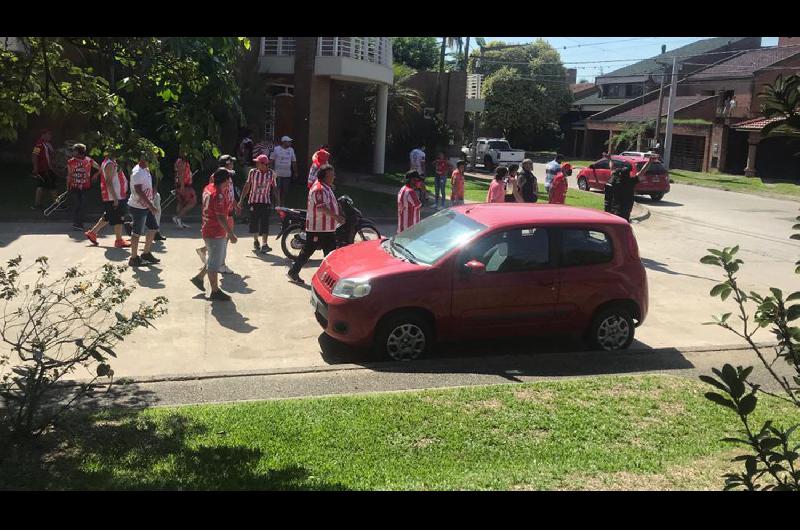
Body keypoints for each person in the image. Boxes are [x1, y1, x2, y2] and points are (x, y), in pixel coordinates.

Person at [287, 164, 344, 285]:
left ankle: (329, 279)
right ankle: (294, 272)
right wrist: (337, 217)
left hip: (327, 228)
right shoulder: (319, 189)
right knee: (309, 251)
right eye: (331, 175)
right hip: (318, 228)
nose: (334, 176)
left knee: (330, 254)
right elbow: (321, 207)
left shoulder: (326, 187)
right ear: (325, 176)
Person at [190, 168, 238, 301]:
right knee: (214, 263)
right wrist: (231, 233)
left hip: (208, 229)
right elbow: (221, 217)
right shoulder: (218, 195)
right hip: (215, 232)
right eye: (228, 179)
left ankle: (199, 278)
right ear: (224, 180)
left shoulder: (208, 188)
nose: (229, 182)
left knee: (213, 258)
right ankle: (215, 291)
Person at [84, 150, 130, 248]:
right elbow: (109, 182)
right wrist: (115, 199)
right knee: (118, 218)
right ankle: (119, 240)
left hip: (115, 195)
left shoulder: (110, 162)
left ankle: (92, 233)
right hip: (114, 196)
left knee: (108, 215)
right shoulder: (109, 164)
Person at [127, 152, 161, 267]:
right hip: (138, 207)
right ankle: (133, 258)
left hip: (145, 205)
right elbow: (138, 190)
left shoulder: (145, 169)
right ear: (143, 158)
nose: (152, 159)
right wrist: (151, 206)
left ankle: (146, 254)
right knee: (137, 233)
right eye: (149, 157)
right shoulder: (137, 171)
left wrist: (150, 203)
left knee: (153, 228)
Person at [239, 154, 275, 254]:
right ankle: (256, 240)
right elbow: (247, 186)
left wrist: (278, 203)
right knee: (254, 222)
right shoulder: (253, 172)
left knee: (265, 222)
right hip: (254, 201)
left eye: (258, 162)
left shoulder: (271, 173)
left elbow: (275, 188)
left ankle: (264, 244)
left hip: (265, 201)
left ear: (263, 164)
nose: (256, 164)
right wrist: (241, 200)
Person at [66, 143, 101, 231]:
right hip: (74, 186)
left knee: (82, 205)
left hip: (85, 186)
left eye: (74, 150)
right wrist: (68, 186)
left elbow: (100, 168)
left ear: (78, 151)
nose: (73, 152)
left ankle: (79, 223)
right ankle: (76, 223)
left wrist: (95, 175)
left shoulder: (89, 160)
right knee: (77, 204)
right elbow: (69, 175)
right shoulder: (71, 161)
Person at [31, 129, 58, 210]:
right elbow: (34, 156)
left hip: (50, 168)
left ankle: (37, 204)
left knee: (41, 185)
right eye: (48, 134)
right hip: (45, 169)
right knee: (52, 185)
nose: (50, 136)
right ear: (43, 135)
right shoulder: (39, 144)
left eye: (50, 134)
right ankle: (56, 204)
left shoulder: (48, 144)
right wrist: (35, 168)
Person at [270, 136, 297, 206]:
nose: (290, 143)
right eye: (289, 142)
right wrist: (272, 171)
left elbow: (294, 161)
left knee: (285, 190)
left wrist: (295, 172)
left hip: (287, 174)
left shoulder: (291, 150)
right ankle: (274, 203)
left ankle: (282, 203)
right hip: (277, 173)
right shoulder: (276, 149)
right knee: (276, 189)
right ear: (284, 142)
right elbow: (271, 160)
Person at [172, 153, 196, 228]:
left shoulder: (177, 161)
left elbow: (177, 174)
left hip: (179, 185)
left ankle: (180, 221)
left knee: (181, 203)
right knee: (192, 202)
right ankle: (178, 217)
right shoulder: (182, 162)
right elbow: (181, 174)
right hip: (185, 186)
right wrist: (182, 186)